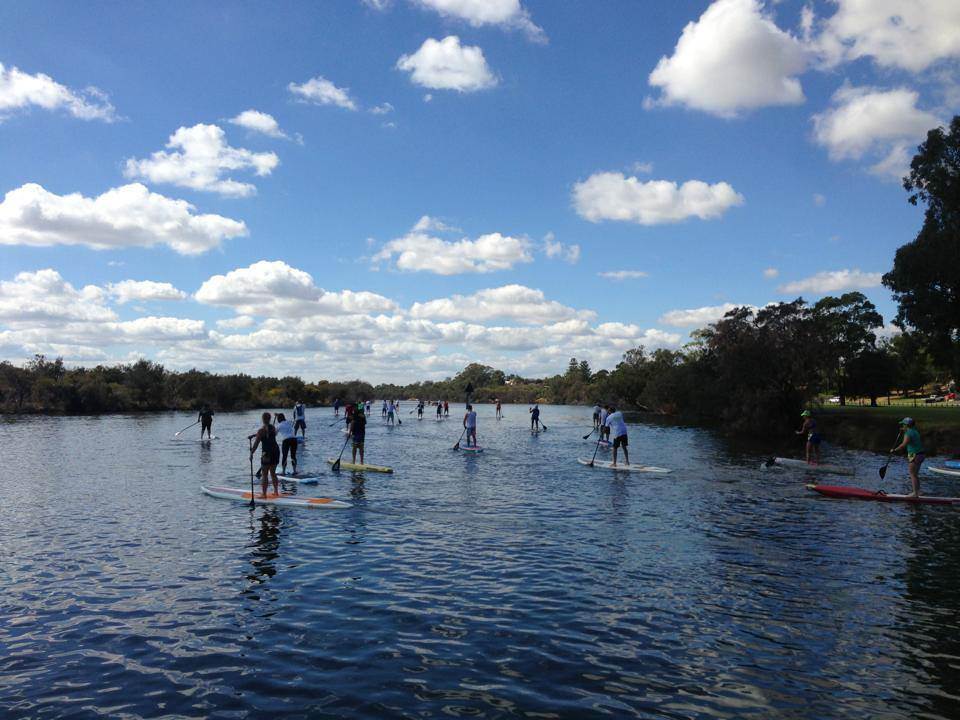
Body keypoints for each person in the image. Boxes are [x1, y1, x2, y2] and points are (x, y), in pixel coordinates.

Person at [891, 417, 925, 497]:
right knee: (915, 474)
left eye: (903, 424)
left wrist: (894, 450)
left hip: (915, 455)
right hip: (921, 454)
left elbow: (904, 444)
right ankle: (918, 491)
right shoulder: (915, 431)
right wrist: (904, 431)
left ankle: (915, 493)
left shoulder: (908, 433)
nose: (902, 425)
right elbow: (911, 437)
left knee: (912, 474)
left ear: (906, 425)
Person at [249, 412, 280, 497]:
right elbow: (270, 433)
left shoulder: (261, 431)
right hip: (275, 451)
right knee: (273, 473)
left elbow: (256, 444)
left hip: (266, 453)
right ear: (270, 419)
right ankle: (276, 492)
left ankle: (264, 494)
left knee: (265, 474)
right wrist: (255, 435)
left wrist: (251, 454)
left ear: (262, 419)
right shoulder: (273, 428)